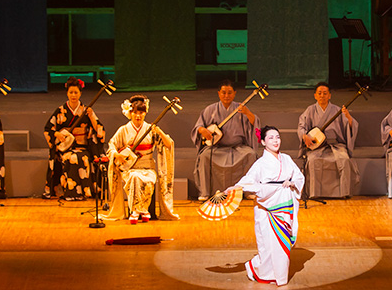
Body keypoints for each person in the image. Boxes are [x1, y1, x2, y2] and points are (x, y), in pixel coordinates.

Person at [228, 126, 304, 286]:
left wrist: (291, 183)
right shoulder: (261, 163)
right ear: (263, 142)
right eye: (271, 138)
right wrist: (235, 187)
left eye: (277, 137)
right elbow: (248, 180)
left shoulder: (287, 159)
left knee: (282, 244)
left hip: (285, 204)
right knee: (267, 244)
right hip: (266, 207)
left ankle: (280, 276)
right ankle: (259, 270)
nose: (275, 141)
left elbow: (299, 177)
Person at [106, 95, 177, 224]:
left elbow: (168, 144)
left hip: (148, 168)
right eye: (135, 113)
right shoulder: (124, 130)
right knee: (134, 177)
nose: (138, 116)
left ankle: (137, 211)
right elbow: (112, 145)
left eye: (141, 113)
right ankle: (142, 210)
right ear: (130, 113)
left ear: (145, 113)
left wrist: (159, 131)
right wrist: (117, 155)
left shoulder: (151, 129)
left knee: (145, 179)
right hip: (130, 169)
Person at [191, 79, 261, 201]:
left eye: (229, 93)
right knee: (204, 156)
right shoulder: (210, 110)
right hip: (217, 148)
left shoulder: (241, 108)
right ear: (218, 93)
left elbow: (255, 125)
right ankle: (205, 192)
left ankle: (249, 191)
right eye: (223, 92)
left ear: (234, 93)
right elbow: (198, 127)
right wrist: (202, 130)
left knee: (250, 154)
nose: (226, 96)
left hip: (238, 148)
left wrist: (248, 113)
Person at [43, 77, 105, 200]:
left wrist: (91, 116)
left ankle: (84, 192)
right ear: (67, 93)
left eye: (76, 92)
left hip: (82, 147)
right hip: (66, 147)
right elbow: (48, 129)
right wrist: (57, 135)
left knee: (82, 158)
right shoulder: (61, 110)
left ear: (80, 93)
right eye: (71, 92)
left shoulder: (85, 110)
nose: (73, 95)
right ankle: (71, 192)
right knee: (71, 157)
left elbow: (99, 130)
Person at [297, 82, 360, 198]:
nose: (322, 96)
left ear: (329, 95)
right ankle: (315, 193)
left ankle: (344, 193)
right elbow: (301, 127)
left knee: (344, 159)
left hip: (336, 145)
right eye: (319, 93)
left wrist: (348, 117)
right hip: (318, 147)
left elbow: (350, 126)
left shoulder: (337, 110)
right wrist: (305, 136)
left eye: (325, 93)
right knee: (313, 161)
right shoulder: (310, 110)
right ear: (315, 95)